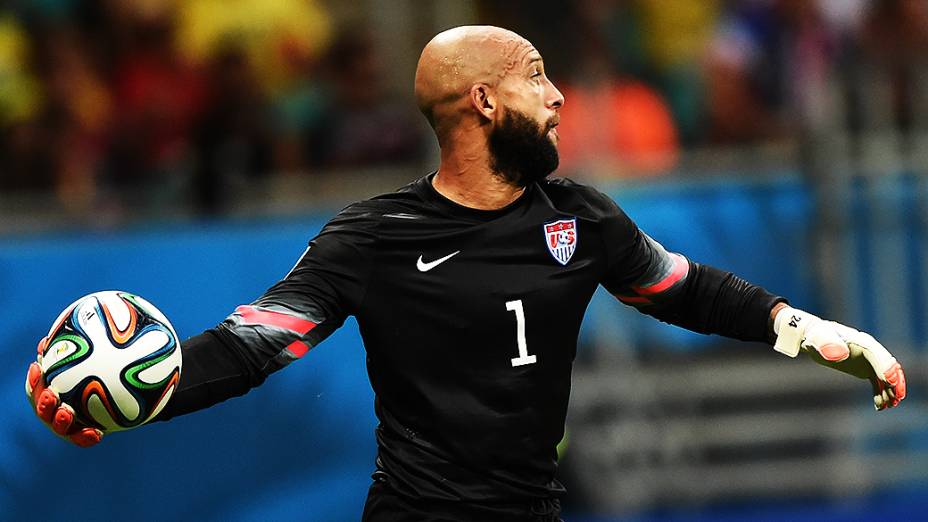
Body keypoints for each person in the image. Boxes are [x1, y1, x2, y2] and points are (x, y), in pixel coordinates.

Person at [26, 25, 906, 522]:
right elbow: (255, 344)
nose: (558, 93)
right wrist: (140, 390)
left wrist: (820, 333)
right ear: (482, 103)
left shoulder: (582, 219)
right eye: (536, 75)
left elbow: (686, 290)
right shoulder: (371, 236)